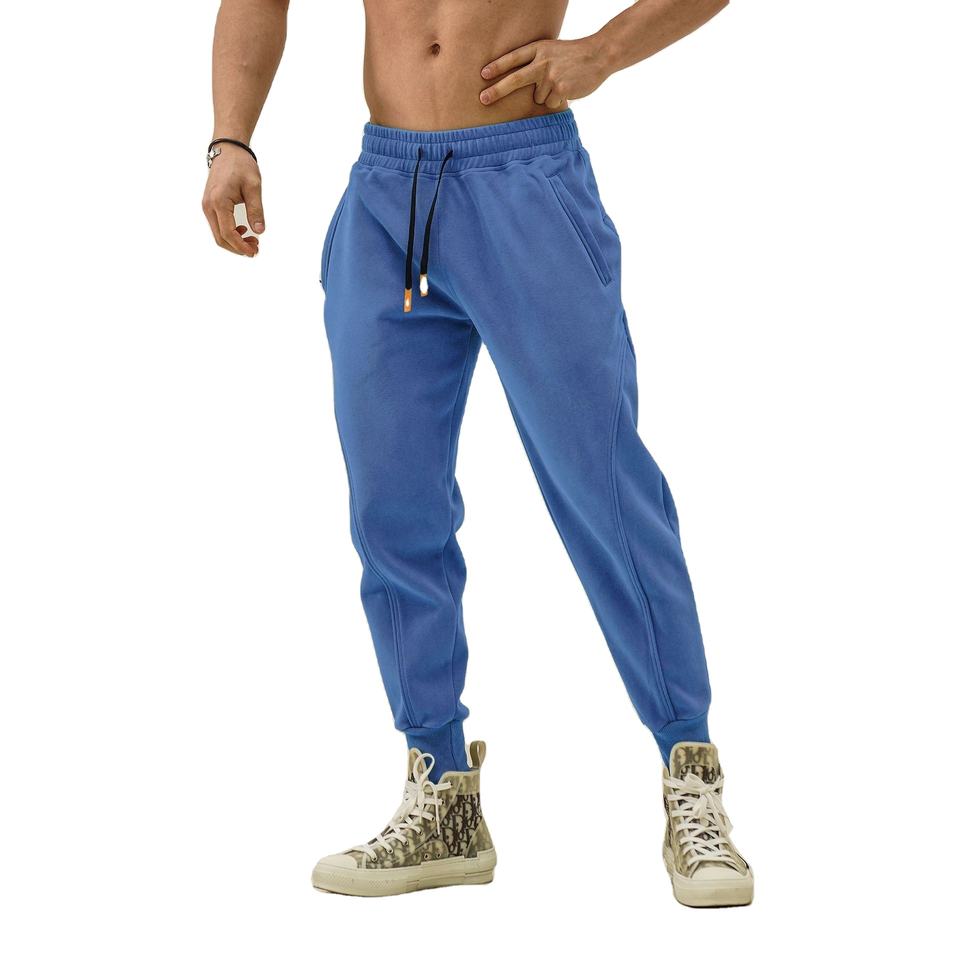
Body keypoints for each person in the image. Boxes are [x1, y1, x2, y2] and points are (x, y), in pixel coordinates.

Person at [202, 0, 752, 907]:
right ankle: (443, 796)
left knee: (605, 491)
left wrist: (604, 53)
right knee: (391, 507)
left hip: (524, 179)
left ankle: (690, 773)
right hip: (387, 191)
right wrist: (232, 139)